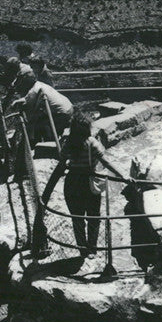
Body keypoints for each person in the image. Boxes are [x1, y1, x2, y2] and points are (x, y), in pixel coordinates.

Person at [41, 108, 127, 256]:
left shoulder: (68, 143)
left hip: (72, 183)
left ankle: (82, 249)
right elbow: (106, 162)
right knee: (94, 217)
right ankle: (92, 248)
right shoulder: (92, 143)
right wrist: (123, 176)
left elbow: (62, 162)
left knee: (77, 218)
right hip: (88, 183)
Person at [8, 70, 73, 144]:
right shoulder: (39, 85)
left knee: (41, 124)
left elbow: (28, 104)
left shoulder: (35, 90)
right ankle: (41, 142)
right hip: (69, 108)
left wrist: (16, 104)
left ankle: (48, 144)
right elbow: (28, 98)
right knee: (41, 119)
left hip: (63, 113)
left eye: (21, 81)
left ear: (26, 80)